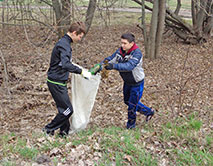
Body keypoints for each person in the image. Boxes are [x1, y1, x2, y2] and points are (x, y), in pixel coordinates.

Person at [43, 21, 91, 137]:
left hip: (57, 81)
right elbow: (65, 64)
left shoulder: (64, 43)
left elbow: (65, 62)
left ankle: (63, 133)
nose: (80, 39)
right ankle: (48, 129)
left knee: (63, 109)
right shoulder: (64, 45)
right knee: (68, 110)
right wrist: (81, 72)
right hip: (56, 82)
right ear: (74, 33)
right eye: (80, 36)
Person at [102, 33, 155, 129]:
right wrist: (103, 64)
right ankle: (149, 112)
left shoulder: (137, 53)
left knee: (132, 106)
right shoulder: (120, 51)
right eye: (121, 43)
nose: (122, 45)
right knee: (127, 101)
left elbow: (129, 66)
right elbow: (111, 59)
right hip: (127, 82)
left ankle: (131, 126)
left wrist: (113, 66)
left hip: (137, 83)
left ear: (131, 44)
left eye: (125, 43)